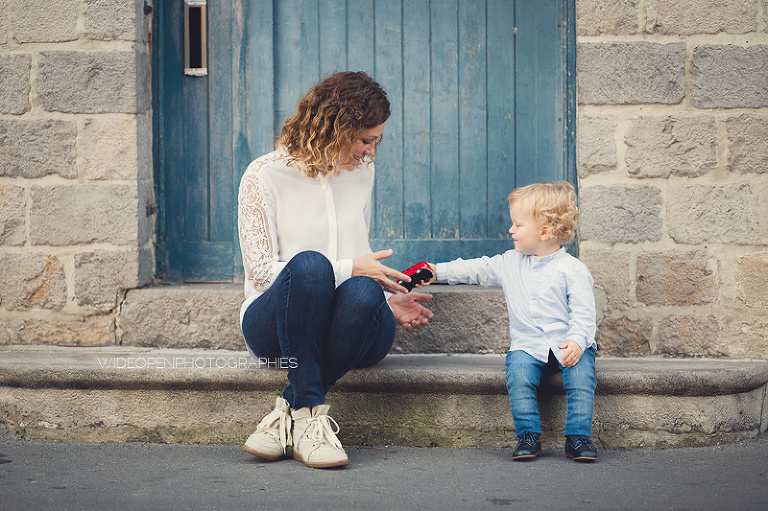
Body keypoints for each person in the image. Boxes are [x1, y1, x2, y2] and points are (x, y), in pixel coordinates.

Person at [237, 71, 434, 469]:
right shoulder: (264, 175)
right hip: (276, 326)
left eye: (376, 141)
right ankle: (310, 417)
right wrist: (348, 268)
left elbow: (356, 263)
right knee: (311, 265)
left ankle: (291, 414)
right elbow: (260, 273)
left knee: (362, 291)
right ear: (334, 127)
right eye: (365, 140)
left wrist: (381, 301)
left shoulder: (361, 172)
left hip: (351, 328)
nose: (370, 152)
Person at [420, 181, 598, 462]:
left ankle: (577, 437)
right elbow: (475, 269)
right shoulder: (509, 262)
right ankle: (528, 435)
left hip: (568, 345)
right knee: (519, 375)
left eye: (517, 224)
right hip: (529, 346)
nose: (510, 230)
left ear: (544, 230)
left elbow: (584, 314)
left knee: (581, 378)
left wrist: (577, 341)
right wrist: (436, 271)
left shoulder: (572, 270)